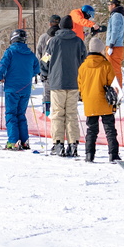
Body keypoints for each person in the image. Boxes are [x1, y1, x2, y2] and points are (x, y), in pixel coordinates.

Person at [44, 14, 87, 156]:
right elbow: (83, 61)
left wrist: (45, 73)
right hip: (74, 83)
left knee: (57, 114)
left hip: (57, 83)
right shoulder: (78, 42)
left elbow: (45, 59)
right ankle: (73, 143)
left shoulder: (53, 41)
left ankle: (58, 143)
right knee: (72, 114)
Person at [0, 28, 39, 150]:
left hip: (12, 88)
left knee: (11, 114)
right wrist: (27, 76)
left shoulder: (10, 52)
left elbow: (3, 65)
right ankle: (24, 140)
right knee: (21, 114)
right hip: (25, 88)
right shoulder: (30, 54)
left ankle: (13, 141)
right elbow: (36, 69)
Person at [78, 34, 121, 162]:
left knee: (91, 130)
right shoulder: (106, 65)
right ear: (100, 50)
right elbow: (113, 83)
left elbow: (80, 85)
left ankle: (89, 155)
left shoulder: (83, 67)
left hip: (90, 102)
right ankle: (113, 154)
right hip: (105, 102)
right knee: (110, 130)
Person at [36, 14, 61, 115]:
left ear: (49, 24)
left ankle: (46, 112)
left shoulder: (44, 37)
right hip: (60, 70)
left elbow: (39, 53)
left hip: (47, 69)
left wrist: (40, 68)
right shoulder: (62, 37)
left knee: (47, 92)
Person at [105, 0, 124, 86]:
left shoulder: (116, 16)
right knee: (114, 69)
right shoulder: (117, 15)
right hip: (115, 46)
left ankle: (116, 91)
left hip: (114, 47)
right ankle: (116, 90)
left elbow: (115, 31)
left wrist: (111, 45)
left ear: (113, 5)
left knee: (114, 70)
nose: (108, 7)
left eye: (109, 5)